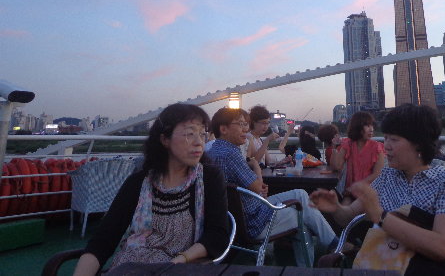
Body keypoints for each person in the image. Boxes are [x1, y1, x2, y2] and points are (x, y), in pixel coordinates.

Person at [73, 104, 229, 276]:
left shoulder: (209, 179)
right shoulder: (139, 183)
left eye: (202, 133)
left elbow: (217, 236)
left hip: (178, 269)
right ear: (165, 139)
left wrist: (178, 261)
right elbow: (103, 241)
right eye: (189, 134)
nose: (199, 142)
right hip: (129, 268)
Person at [310, 104, 445, 268]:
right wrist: (336, 208)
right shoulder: (386, 177)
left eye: (394, 139)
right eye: (385, 138)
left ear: (419, 144)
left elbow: (443, 246)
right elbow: (348, 216)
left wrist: (380, 216)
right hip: (385, 266)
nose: (386, 145)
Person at [205, 107, 338, 253]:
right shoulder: (231, 154)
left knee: (300, 194)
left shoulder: (212, 152)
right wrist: (256, 166)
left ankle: (332, 243)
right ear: (223, 129)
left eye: (246, 124)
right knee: (303, 215)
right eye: (240, 124)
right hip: (255, 221)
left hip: (239, 216)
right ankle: (331, 248)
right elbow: (258, 187)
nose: (246, 129)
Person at [331, 112, 384, 202]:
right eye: (367, 126)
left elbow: (377, 174)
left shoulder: (377, 147)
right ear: (357, 127)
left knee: (350, 208)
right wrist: (334, 147)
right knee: (343, 207)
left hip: (369, 193)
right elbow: (337, 166)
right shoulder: (348, 144)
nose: (371, 129)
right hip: (350, 194)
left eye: (371, 125)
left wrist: (354, 187)